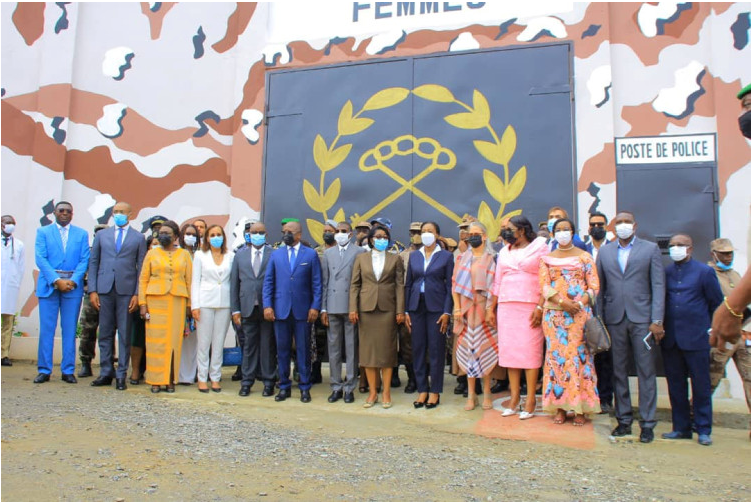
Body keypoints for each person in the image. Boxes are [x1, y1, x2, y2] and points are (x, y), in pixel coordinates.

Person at [596, 210, 665, 443]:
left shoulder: (649, 249)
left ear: (634, 226)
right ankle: (623, 420)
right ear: (613, 228)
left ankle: (647, 423)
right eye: (619, 223)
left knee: (646, 371)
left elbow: (658, 286)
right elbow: (600, 289)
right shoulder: (605, 252)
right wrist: (600, 319)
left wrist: (657, 320)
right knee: (618, 370)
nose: (623, 226)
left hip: (643, 320)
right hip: (614, 319)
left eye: (627, 222)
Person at [661, 234, 723, 445]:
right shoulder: (666, 272)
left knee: (701, 386)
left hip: (696, 338)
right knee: (676, 385)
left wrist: (712, 331)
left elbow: (716, 304)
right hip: (671, 339)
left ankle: (703, 429)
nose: (675, 249)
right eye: (672, 246)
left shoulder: (705, 273)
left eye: (680, 245)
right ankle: (681, 428)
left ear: (690, 248)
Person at [539, 218, 601, 425]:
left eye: (566, 229)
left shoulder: (584, 257)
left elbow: (593, 286)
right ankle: (560, 407)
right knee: (557, 359)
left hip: (579, 316)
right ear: (553, 234)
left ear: (573, 232)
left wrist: (579, 304)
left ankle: (580, 407)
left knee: (578, 359)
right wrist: (563, 302)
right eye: (558, 230)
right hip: (554, 316)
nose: (562, 233)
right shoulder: (546, 258)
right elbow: (545, 286)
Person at [490, 216, 549, 419]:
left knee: (530, 353)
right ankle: (514, 399)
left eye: (510, 229)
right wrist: (491, 308)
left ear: (522, 230)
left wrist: (541, 306)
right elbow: (497, 281)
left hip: (530, 306)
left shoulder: (540, 247)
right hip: (507, 307)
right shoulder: (503, 251)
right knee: (510, 354)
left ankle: (530, 399)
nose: (506, 232)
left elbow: (547, 279)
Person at [87, 202, 146, 390]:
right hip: (104, 290)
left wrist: (137, 293)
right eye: (116, 212)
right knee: (104, 332)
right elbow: (94, 263)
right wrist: (93, 290)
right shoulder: (102, 235)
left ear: (131, 214)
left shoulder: (138, 237)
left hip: (126, 292)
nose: (118, 215)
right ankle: (105, 372)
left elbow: (141, 268)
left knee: (125, 333)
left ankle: (121, 374)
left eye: (122, 212)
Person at [263, 220, 322, 403]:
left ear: (299, 235)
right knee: (282, 351)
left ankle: (305, 387)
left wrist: (315, 306)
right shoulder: (276, 255)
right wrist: (267, 305)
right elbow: (269, 282)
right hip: (280, 310)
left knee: (303, 351)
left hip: (303, 311)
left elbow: (317, 283)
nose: (285, 234)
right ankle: (284, 387)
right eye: (283, 231)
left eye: (289, 231)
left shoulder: (311, 255)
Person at [33, 201, 90, 384]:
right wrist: (56, 281)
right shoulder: (43, 232)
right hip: (50, 285)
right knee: (47, 329)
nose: (65, 213)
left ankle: (68, 370)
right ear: (54, 213)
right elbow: (40, 258)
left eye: (68, 211)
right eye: (61, 210)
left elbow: (84, 260)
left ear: (72, 214)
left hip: (72, 287)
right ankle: (44, 369)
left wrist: (72, 281)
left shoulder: (81, 234)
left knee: (70, 329)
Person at [350, 225, 405, 408]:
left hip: (388, 310)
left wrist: (400, 310)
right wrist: (353, 308)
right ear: (371, 239)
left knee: (387, 353)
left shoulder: (395, 258)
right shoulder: (361, 258)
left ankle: (386, 393)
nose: (382, 239)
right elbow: (355, 285)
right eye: (378, 236)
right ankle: (373, 392)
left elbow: (399, 286)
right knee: (369, 353)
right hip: (366, 310)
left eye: (385, 236)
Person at [138, 220, 193, 393]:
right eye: (161, 232)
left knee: (173, 342)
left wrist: (190, 305)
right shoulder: (152, 254)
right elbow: (143, 279)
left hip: (177, 301)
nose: (163, 235)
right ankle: (155, 380)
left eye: (167, 233)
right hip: (155, 301)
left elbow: (189, 281)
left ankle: (170, 379)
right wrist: (142, 304)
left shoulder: (184, 254)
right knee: (156, 342)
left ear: (176, 236)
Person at [405, 221, 454, 409]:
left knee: (435, 350)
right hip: (416, 306)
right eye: (423, 231)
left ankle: (435, 391)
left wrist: (447, 311)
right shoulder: (414, 256)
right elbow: (408, 284)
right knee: (418, 349)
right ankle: (422, 390)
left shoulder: (446, 256)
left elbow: (450, 286)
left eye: (430, 231)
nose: (426, 234)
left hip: (436, 308)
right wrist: (406, 310)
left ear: (437, 235)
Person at [451, 222, 499, 411]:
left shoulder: (492, 258)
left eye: (476, 234)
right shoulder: (461, 258)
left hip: (484, 311)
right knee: (468, 352)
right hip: (465, 311)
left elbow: (494, 287)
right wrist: (456, 308)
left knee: (483, 350)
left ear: (485, 236)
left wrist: (489, 309)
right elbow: (454, 285)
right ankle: (471, 395)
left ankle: (486, 392)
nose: (473, 237)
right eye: (470, 234)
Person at [321, 221, 365, 404]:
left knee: (351, 348)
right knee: (334, 348)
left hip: (350, 306)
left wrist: (356, 307)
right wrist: (323, 307)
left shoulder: (360, 252)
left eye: (343, 231)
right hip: (332, 305)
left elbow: (360, 283)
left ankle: (350, 387)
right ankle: (335, 385)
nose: (339, 234)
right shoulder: (328, 253)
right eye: (337, 231)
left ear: (351, 234)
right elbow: (325, 282)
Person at [231, 221, 276, 397]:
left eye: (261, 232)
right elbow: (234, 284)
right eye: (253, 232)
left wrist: (272, 306)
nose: (257, 235)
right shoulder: (240, 256)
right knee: (249, 346)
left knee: (267, 346)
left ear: (266, 234)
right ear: (248, 234)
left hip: (267, 309)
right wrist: (235, 310)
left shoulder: (274, 254)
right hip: (247, 307)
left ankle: (268, 381)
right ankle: (247, 382)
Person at [708, 238, 750, 409]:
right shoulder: (709, 274)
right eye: (724, 254)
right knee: (712, 378)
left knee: (749, 376)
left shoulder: (735, 275)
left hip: (740, 333)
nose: (728, 257)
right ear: (714, 254)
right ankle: (694, 416)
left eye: (730, 253)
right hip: (722, 335)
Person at [191, 224, 233, 393]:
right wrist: (195, 305)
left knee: (218, 342)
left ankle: (215, 377)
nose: (216, 237)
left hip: (224, 303)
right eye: (213, 234)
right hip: (205, 303)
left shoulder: (230, 255)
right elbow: (196, 281)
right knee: (203, 343)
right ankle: (202, 378)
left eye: (219, 234)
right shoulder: (200, 255)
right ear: (207, 238)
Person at [584, 211, 614, 414]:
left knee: (606, 356)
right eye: (593, 224)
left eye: (600, 224)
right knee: (586, 356)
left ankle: (605, 398)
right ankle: (587, 397)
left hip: (609, 309)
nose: (596, 227)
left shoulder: (613, 249)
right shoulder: (582, 250)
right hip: (585, 309)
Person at [77, 224, 108, 378]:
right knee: (87, 330)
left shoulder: (114, 252)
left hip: (109, 295)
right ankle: (85, 362)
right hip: (91, 295)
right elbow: (80, 270)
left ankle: (107, 365)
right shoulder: (88, 252)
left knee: (108, 331)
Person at [397, 221, 422, 394]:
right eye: (413, 232)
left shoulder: (435, 253)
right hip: (408, 305)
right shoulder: (403, 256)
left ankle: (424, 379)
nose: (416, 235)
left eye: (419, 232)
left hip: (428, 304)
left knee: (426, 345)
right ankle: (412, 379)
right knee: (407, 344)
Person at [177, 223, 200, 385]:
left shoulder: (200, 254)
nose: (190, 237)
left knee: (194, 341)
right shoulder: (176, 253)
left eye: (193, 234)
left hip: (198, 302)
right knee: (180, 340)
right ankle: (177, 374)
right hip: (180, 301)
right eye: (187, 233)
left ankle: (190, 375)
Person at [1, 215, 25, 366]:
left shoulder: (19, 245)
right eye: (7, 222)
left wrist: (16, 283)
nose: (10, 225)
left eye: (12, 223)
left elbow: (21, 267)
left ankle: (3, 354)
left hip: (10, 286)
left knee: (8, 322)